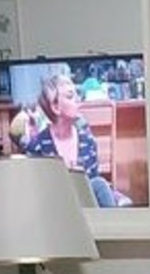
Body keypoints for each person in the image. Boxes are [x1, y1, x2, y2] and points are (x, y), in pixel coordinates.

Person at [20, 71, 130, 205]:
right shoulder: (38, 146)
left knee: (99, 184)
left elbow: (94, 184)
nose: (78, 101)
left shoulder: (88, 141)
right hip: (54, 206)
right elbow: (35, 192)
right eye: (70, 96)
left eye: (77, 95)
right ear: (55, 107)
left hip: (87, 207)